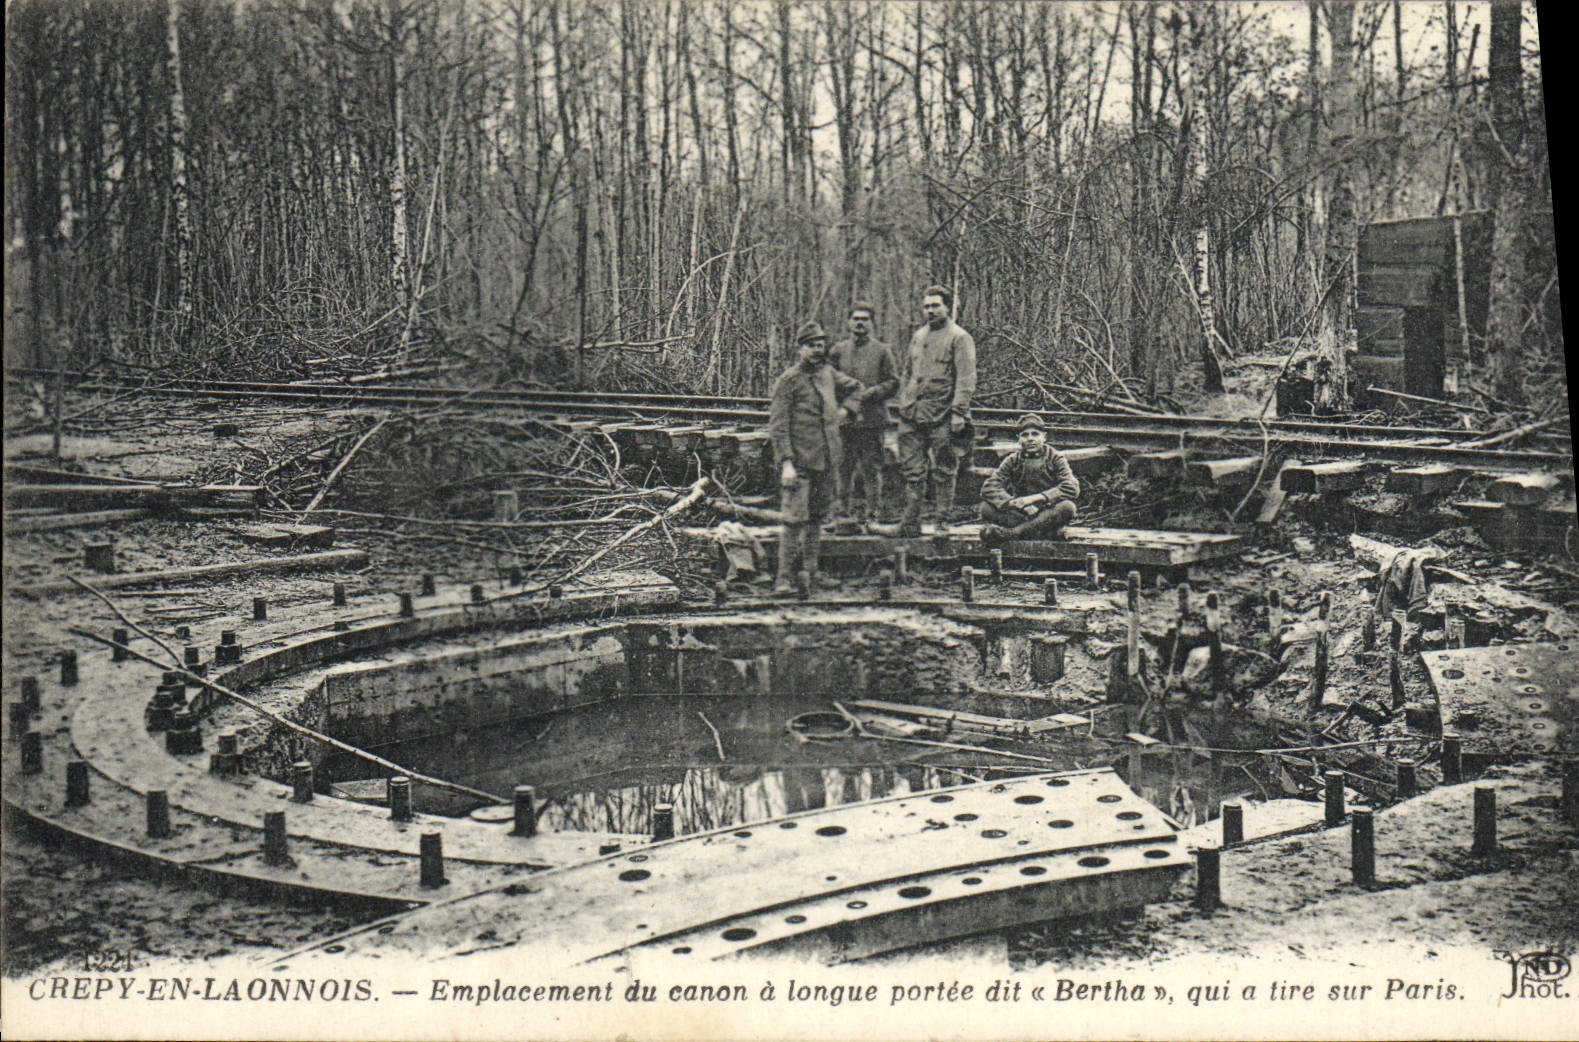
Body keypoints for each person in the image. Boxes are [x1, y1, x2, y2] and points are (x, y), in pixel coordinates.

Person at [766, 320, 865, 595]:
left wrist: (847, 411)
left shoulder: (828, 374)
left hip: (826, 461)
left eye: (821, 346)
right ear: (800, 349)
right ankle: (783, 579)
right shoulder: (789, 381)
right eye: (811, 346)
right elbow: (779, 426)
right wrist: (786, 462)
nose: (817, 351)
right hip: (799, 463)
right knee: (793, 520)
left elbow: (856, 388)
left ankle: (811, 573)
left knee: (817, 518)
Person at [894, 284, 976, 536]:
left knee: (943, 469)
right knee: (912, 470)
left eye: (935, 305)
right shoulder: (918, 336)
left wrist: (958, 413)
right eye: (926, 306)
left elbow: (966, 377)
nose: (930, 311)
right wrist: (904, 400)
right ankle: (910, 523)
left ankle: (942, 521)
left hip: (942, 416)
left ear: (947, 307)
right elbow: (908, 371)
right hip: (912, 415)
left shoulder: (959, 337)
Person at [828, 301, 899, 524]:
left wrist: (872, 393)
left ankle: (873, 513)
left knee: (871, 468)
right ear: (849, 323)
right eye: (856, 319)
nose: (860, 323)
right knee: (843, 468)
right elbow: (828, 380)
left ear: (872, 323)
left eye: (864, 319)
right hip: (845, 421)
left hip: (872, 420)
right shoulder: (838, 351)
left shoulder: (882, 351)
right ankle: (841, 513)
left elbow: (893, 382)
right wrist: (843, 403)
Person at [977, 413, 1079, 544]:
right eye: (1025, 435)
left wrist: (1035, 498)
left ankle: (1013, 533)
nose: (1030, 439)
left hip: (1045, 512)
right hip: (1021, 514)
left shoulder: (1055, 458)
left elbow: (1071, 486)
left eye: (1035, 434)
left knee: (1067, 507)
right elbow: (989, 486)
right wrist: (1015, 503)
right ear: (1018, 439)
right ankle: (1041, 531)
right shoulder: (1013, 459)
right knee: (985, 508)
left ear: (1044, 437)